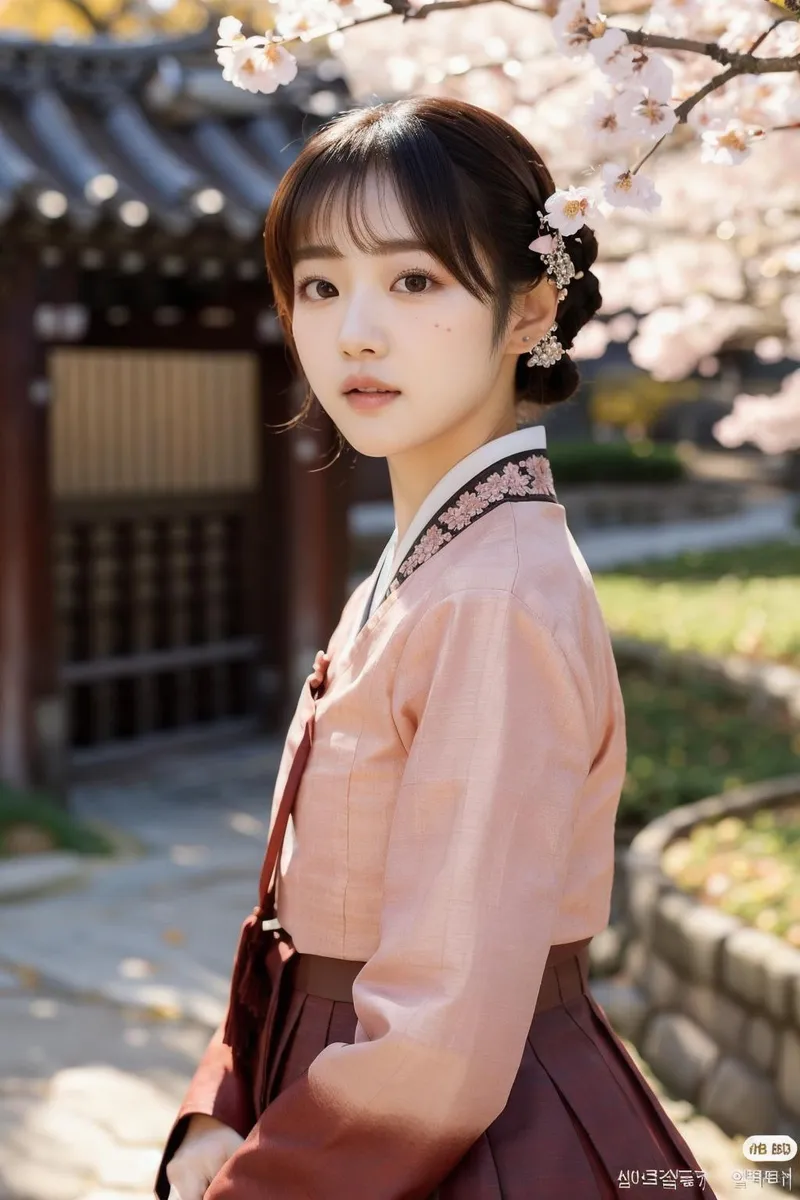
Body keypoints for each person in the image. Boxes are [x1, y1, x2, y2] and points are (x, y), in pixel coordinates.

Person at [154, 94, 717, 1200]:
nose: (354, 330)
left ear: (527, 309)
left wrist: (248, 1183)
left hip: (447, 1131)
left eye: (413, 280)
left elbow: (442, 1035)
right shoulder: (434, 560)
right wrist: (215, 1104)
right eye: (319, 285)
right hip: (331, 1089)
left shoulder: (493, 594)